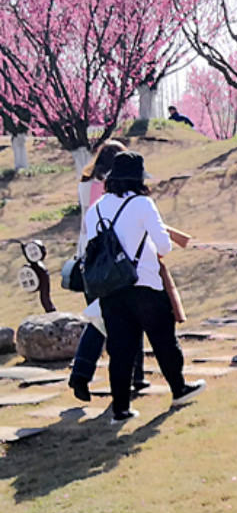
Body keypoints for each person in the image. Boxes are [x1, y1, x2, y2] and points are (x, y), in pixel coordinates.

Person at [78, 152, 207, 422]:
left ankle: (121, 409)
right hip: (144, 283)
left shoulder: (96, 209)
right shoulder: (142, 204)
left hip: (111, 289)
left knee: (120, 350)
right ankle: (179, 388)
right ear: (138, 178)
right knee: (163, 341)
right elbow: (164, 245)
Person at [67, 142, 146, 402]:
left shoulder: (85, 184)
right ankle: (135, 375)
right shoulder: (110, 189)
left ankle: (81, 371)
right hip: (114, 260)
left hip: (88, 260)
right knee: (132, 315)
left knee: (99, 319)